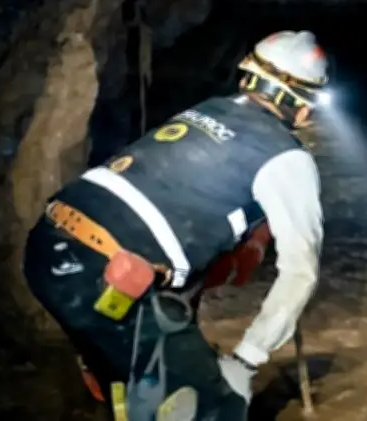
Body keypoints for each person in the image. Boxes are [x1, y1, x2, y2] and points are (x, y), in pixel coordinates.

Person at [22, 30, 328, 421]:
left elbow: (177, 205)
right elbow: (300, 274)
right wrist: (246, 361)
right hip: (104, 279)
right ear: (303, 107)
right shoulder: (287, 159)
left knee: (136, 394)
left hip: (49, 248)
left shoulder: (209, 109)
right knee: (217, 409)